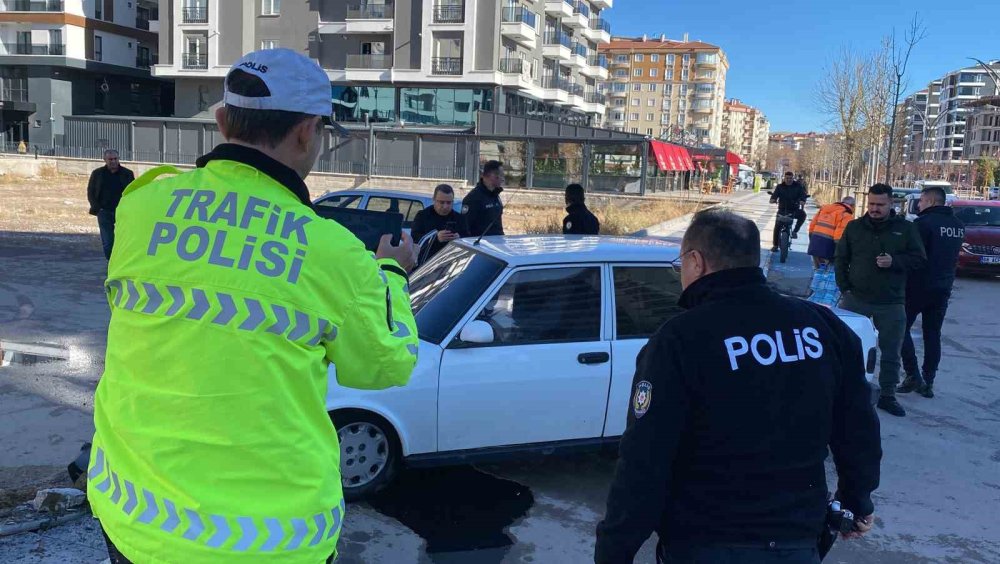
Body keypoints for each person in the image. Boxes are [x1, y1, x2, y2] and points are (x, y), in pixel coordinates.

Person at [86, 48, 419, 564]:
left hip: (135, 518)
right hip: (270, 543)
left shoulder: (141, 205)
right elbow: (387, 363)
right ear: (308, 130)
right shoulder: (332, 254)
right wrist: (392, 272)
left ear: (222, 120)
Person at [595, 209, 881, 564]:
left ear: (696, 262)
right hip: (797, 537)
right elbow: (858, 428)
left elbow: (645, 460)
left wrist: (614, 550)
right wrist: (857, 498)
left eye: (679, 263)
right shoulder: (823, 326)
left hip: (706, 540)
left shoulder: (680, 340)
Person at [835, 183, 926, 417]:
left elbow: (919, 259)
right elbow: (840, 258)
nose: (875, 209)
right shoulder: (855, 227)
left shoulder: (905, 229)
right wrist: (845, 289)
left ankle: (887, 395)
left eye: (880, 205)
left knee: (891, 351)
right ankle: (844, 391)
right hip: (856, 299)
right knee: (846, 347)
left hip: (891, 302)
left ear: (891, 204)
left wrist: (895, 262)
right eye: (872, 204)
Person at [897, 187, 965, 399]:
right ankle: (929, 380)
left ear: (930, 201)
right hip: (943, 288)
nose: (919, 206)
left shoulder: (922, 224)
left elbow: (913, 256)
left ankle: (912, 374)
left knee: (900, 328)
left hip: (918, 287)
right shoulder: (958, 226)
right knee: (932, 333)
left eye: (921, 201)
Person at [87, 149, 135, 260]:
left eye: (115, 159)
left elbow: (133, 192)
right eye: (110, 159)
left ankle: (121, 262)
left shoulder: (127, 174)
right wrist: (97, 208)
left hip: (123, 213)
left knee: (123, 239)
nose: (113, 161)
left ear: (118, 159)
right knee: (108, 242)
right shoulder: (97, 174)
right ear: (105, 160)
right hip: (104, 212)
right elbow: (90, 192)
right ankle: (111, 263)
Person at [411, 183, 468, 260]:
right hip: (426, 262)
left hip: (450, 261)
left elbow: (468, 238)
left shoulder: (459, 218)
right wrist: (435, 238)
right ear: (433, 200)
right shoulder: (423, 215)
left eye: (449, 202)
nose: (445, 206)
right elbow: (415, 239)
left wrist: (459, 238)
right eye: (441, 202)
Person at [807, 196, 855, 267]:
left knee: (818, 271)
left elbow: (812, 226)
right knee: (829, 272)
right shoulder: (846, 215)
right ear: (852, 206)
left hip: (815, 242)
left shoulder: (824, 209)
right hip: (829, 247)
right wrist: (839, 253)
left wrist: (812, 241)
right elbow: (839, 236)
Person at [464, 160, 505, 237]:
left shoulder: (495, 195)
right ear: (491, 175)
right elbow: (465, 227)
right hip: (481, 245)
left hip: (497, 242)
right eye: (501, 175)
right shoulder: (473, 198)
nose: (503, 179)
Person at [769, 171, 808, 251]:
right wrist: (773, 199)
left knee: (803, 214)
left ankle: (795, 231)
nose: (789, 180)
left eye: (790, 178)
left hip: (794, 209)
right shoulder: (780, 187)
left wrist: (803, 200)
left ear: (793, 178)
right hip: (782, 210)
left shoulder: (798, 186)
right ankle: (775, 245)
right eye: (787, 178)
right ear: (784, 178)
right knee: (777, 226)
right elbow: (774, 195)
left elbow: (803, 195)